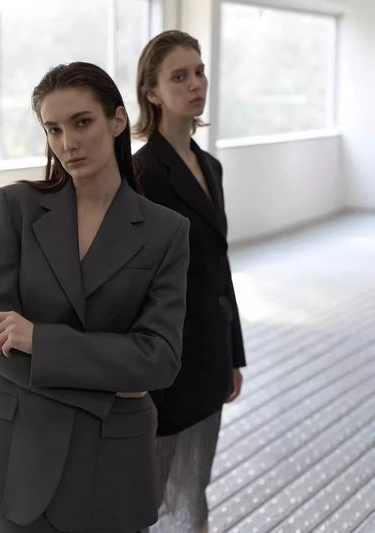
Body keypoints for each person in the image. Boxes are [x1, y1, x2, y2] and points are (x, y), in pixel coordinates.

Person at [0, 61, 191, 533]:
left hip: (111, 461)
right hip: (19, 457)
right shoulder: (15, 209)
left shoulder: (166, 231)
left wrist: (39, 341)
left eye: (82, 123)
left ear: (117, 121)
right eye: (54, 129)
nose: (67, 143)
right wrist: (108, 379)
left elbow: (158, 360)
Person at [133, 30, 246, 533]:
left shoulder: (210, 166)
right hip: (164, 371)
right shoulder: (141, 174)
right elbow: (134, 285)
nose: (196, 83)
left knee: (192, 494)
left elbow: (219, 267)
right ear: (152, 92)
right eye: (178, 76)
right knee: (149, 501)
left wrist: (233, 354)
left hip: (209, 358)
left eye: (198, 72)